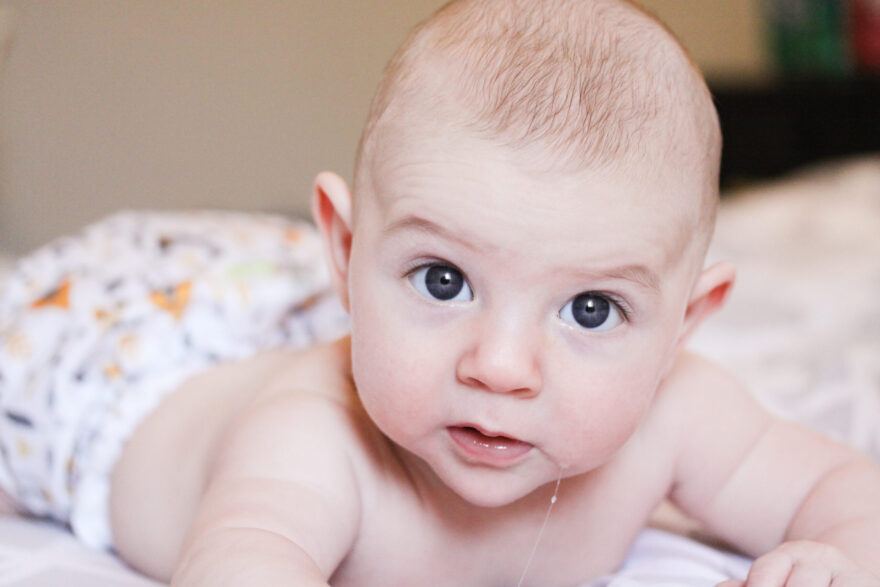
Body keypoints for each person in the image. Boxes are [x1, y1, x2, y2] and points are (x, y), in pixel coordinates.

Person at [2, 1, 879, 585]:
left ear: (683, 325)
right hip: (110, 364)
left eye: (590, 309)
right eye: (445, 279)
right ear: (347, 253)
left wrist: (837, 555)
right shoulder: (316, 435)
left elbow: (846, 486)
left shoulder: (679, 413)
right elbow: (241, 558)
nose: (500, 366)